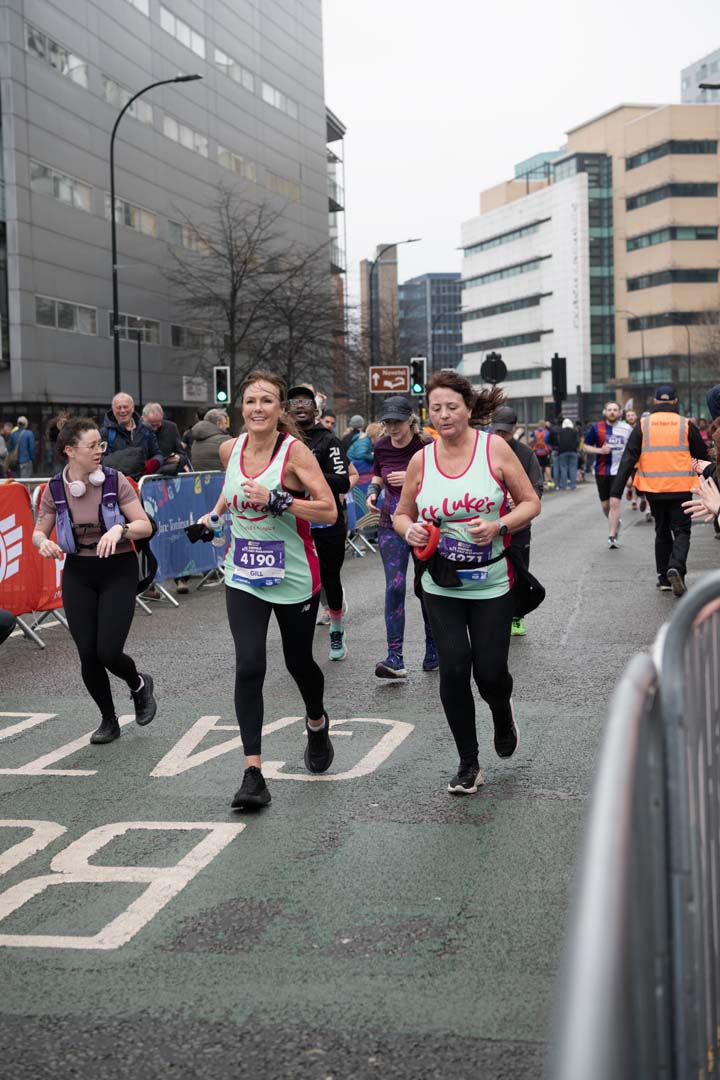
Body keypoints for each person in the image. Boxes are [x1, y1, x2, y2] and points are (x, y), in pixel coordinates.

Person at [394, 371, 541, 796]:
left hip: (492, 581)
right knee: (454, 667)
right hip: (442, 582)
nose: (443, 415)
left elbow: (531, 502)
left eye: (452, 407)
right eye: (435, 408)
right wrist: (411, 532)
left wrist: (498, 525)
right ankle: (468, 763)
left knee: (490, 673)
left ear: (469, 409)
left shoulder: (494, 448)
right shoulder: (422, 459)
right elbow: (402, 513)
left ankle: (501, 711)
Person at [198, 370, 338, 811]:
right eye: (250, 401)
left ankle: (316, 721)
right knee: (249, 665)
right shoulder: (230, 448)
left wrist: (279, 501)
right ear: (241, 407)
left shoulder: (295, 453)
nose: (257, 408)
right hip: (244, 574)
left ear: (280, 410)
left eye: (266, 401)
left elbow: (330, 511)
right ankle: (253, 774)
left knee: (299, 663)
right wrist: (214, 516)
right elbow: (230, 489)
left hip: (294, 576)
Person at [33, 417, 157, 744]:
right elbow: (38, 530)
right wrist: (41, 542)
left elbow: (145, 525)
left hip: (118, 568)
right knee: (88, 654)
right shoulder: (55, 488)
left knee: (108, 651)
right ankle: (108, 719)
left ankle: (139, 684)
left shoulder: (116, 482)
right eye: (92, 446)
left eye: (101, 444)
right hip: (78, 572)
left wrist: (121, 529)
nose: (99, 450)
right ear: (70, 451)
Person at [612, 384, 710, 595]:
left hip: (653, 490)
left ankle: (664, 577)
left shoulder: (643, 424)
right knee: (682, 531)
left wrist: (616, 491)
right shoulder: (686, 424)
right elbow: (702, 456)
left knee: (662, 530)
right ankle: (677, 568)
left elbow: (629, 457)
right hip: (681, 488)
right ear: (675, 402)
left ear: (656, 402)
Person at [366, 396, 437, 677]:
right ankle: (394, 656)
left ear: (410, 420)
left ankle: (434, 649)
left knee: (426, 588)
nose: (392, 427)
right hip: (390, 523)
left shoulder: (426, 446)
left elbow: (442, 476)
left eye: (397, 421)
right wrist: (373, 492)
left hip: (424, 524)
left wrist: (411, 477)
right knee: (394, 588)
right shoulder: (381, 445)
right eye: (388, 421)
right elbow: (377, 475)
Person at [287, 384, 351, 662]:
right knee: (297, 582)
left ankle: (336, 627)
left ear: (315, 410)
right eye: (294, 402)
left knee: (328, 578)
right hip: (291, 523)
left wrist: (309, 476)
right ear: (286, 410)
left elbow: (343, 480)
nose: (300, 406)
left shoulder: (328, 442)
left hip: (326, 524)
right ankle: (301, 638)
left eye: (306, 401)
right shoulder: (281, 441)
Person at [490, 406, 544, 637]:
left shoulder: (525, 454)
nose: (501, 437)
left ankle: (517, 616)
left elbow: (537, 488)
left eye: (506, 433)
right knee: (494, 572)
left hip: (519, 525)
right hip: (490, 526)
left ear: (514, 429)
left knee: (519, 571)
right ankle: (494, 616)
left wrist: (520, 499)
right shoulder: (484, 450)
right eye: (497, 432)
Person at [583, 402, 633, 548]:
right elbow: (585, 447)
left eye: (615, 410)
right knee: (605, 506)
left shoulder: (627, 428)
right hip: (602, 470)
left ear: (620, 412)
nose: (612, 412)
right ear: (605, 412)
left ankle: (612, 535)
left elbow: (633, 450)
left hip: (620, 471)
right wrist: (600, 451)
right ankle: (615, 521)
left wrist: (630, 471)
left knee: (614, 503)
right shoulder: (596, 427)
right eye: (609, 410)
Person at [100, 393, 163, 479]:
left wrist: (153, 463)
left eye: (126, 407)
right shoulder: (105, 433)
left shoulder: (146, 430)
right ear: (113, 410)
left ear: (132, 408)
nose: (122, 410)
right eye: (118, 407)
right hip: (118, 485)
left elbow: (158, 454)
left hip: (143, 484)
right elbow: (100, 459)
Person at [141, 403, 188, 472]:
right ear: (143, 419)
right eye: (151, 425)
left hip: (166, 475)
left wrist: (179, 458)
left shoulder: (171, 428)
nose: (155, 429)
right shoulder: (137, 430)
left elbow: (183, 455)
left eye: (158, 424)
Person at [557, 418, 580, 491]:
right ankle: (573, 485)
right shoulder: (574, 431)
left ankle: (563, 485)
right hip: (573, 451)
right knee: (573, 468)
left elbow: (558, 441)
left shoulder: (560, 432)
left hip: (562, 452)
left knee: (563, 468)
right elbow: (578, 441)